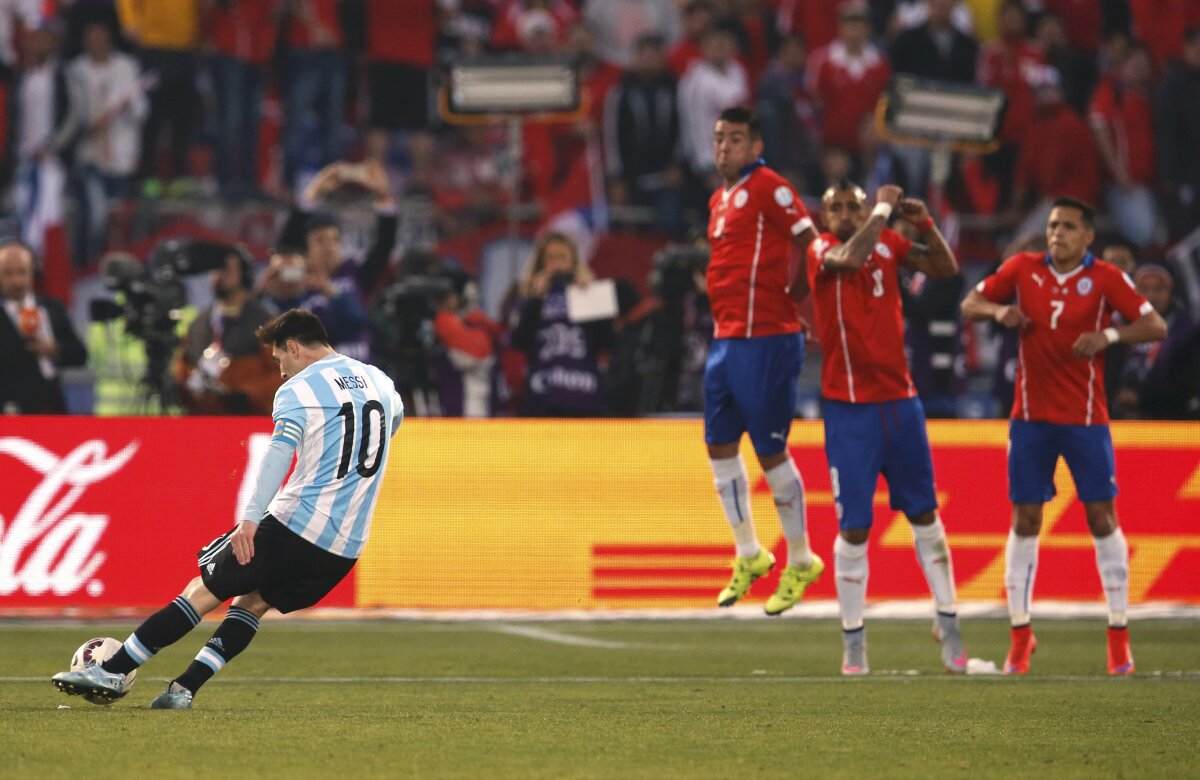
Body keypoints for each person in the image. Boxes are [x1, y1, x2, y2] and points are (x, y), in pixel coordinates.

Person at [52, 309, 404, 709]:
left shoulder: (299, 390)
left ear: (293, 347)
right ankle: (182, 689)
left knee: (202, 590)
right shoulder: (379, 381)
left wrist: (250, 519)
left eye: (279, 360)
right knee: (252, 602)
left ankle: (112, 669)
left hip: (298, 525)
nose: (282, 371)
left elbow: (278, 455)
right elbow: (392, 424)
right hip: (344, 549)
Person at [961, 197, 1167, 676]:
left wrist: (1109, 338)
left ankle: (1118, 636)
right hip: (1030, 418)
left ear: (1088, 236)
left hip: (1085, 419)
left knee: (1101, 518)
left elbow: (1153, 323)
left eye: (1069, 227)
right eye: (1054, 226)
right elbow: (971, 302)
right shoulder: (1022, 268)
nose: (1058, 234)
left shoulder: (1106, 279)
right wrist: (997, 314)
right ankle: (1019, 636)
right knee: (1025, 519)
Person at [804, 180, 967, 674]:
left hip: (901, 403)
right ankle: (853, 638)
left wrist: (925, 224)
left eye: (855, 205)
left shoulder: (889, 244)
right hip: (849, 409)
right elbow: (852, 258)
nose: (848, 214)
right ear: (826, 216)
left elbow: (945, 268)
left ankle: (949, 622)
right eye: (838, 207)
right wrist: (881, 208)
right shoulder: (821, 249)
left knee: (925, 516)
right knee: (854, 528)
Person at [702, 107, 823, 616]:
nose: (724, 147)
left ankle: (801, 557)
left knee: (771, 451)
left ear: (756, 147)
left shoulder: (770, 186)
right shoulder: (719, 198)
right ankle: (750, 552)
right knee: (719, 447)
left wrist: (794, 303)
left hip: (767, 338)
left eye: (735, 139)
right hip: (726, 339)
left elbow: (810, 243)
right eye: (719, 139)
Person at [176, 246, 279, 415]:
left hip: (248, 421)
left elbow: (283, 375)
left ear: (244, 274)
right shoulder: (199, 323)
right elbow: (184, 366)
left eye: (225, 268)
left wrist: (246, 395)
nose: (218, 275)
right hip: (201, 420)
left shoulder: (266, 322)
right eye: (214, 269)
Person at [0, 239, 87, 413]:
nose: (16, 281)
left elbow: (80, 354)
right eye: (8, 273)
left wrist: (53, 349)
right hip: (8, 410)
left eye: (21, 272)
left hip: (51, 408)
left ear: (33, 273)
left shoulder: (52, 308)